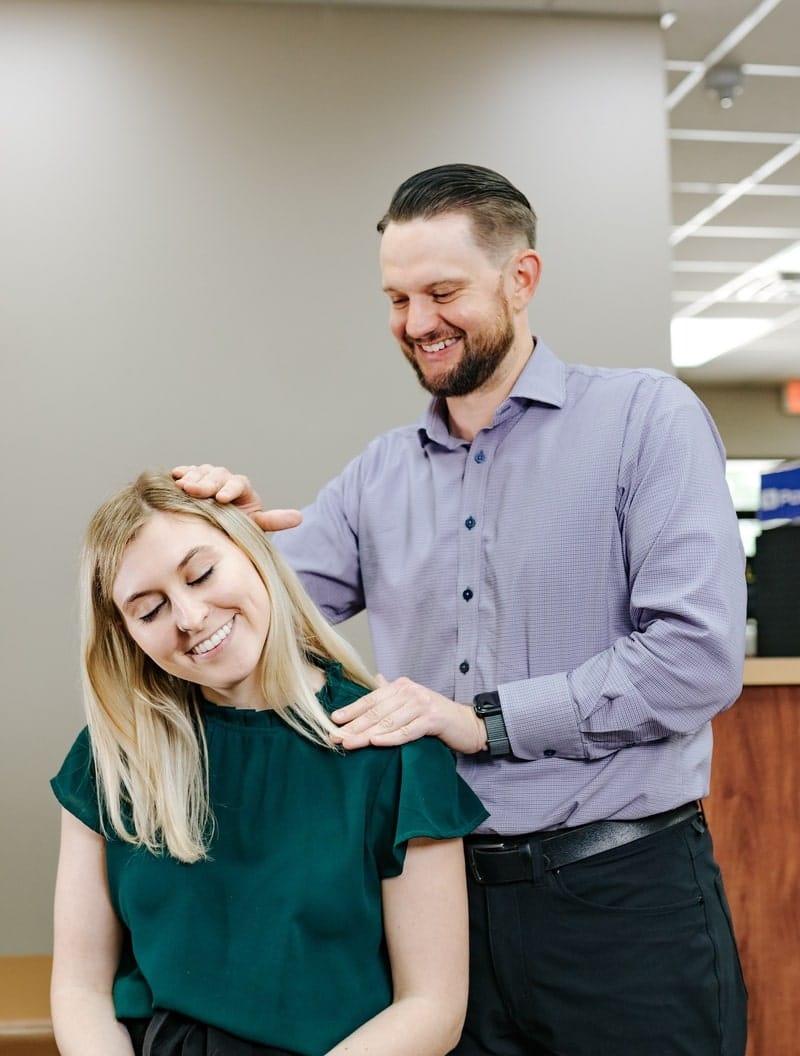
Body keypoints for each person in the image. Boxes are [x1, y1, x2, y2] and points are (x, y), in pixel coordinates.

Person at [174, 163, 749, 1056]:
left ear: (522, 278)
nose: (417, 323)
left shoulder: (645, 419)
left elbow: (695, 658)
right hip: (437, 923)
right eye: (397, 299)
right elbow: (258, 628)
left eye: (442, 293)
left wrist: (481, 722)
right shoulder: (379, 475)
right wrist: (221, 544)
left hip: (623, 903)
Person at [50, 470, 488, 1056]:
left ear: (254, 551)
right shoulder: (110, 757)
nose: (189, 617)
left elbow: (432, 1008)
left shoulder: (396, 750)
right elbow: (79, 990)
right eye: (149, 610)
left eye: (201, 575)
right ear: (126, 635)